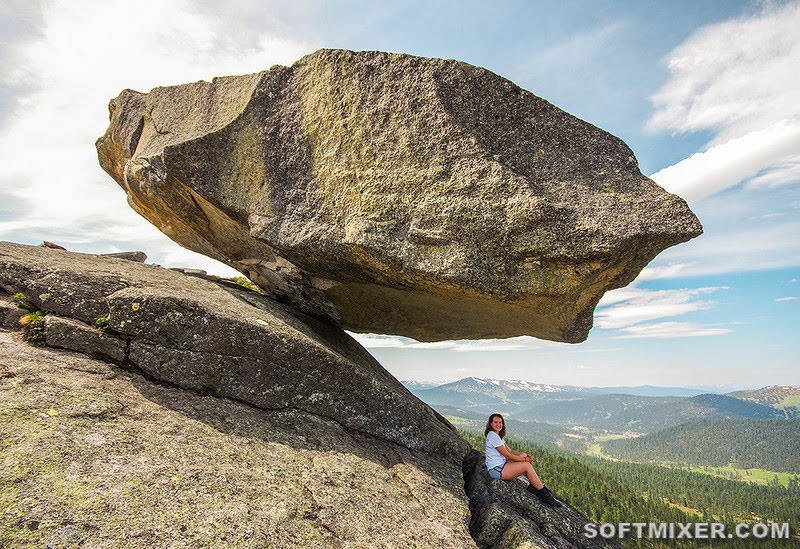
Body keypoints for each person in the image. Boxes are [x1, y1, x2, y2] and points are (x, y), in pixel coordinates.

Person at [484, 413, 561, 507]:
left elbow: (511, 451)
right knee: (526, 466)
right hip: (497, 470)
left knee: (523, 455)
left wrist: (525, 457)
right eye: (495, 422)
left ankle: (534, 486)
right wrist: (525, 460)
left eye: (500, 422)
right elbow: (508, 455)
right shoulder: (493, 436)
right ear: (491, 424)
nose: (498, 424)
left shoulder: (497, 436)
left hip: (501, 464)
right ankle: (544, 495)